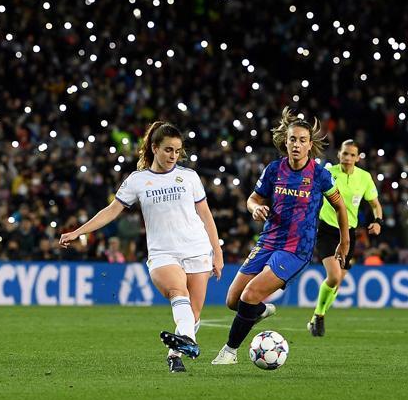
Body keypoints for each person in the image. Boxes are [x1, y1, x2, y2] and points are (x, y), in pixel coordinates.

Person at [60, 121, 224, 373]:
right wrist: (78, 231)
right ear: (155, 148)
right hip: (162, 253)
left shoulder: (189, 177)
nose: (173, 156)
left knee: (194, 311)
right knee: (177, 292)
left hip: (197, 248)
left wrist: (217, 251)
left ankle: (176, 353)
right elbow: (111, 211)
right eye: (168, 149)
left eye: (178, 151)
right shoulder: (138, 180)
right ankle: (189, 342)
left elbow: (205, 214)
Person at [211, 108, 349, 365]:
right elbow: (252, 199)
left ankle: (229, 351)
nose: (296, 144)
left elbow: (340, 207)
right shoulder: (274, 170)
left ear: (310, 145)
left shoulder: (320, 175)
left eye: (302, 140)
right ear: (284, 142)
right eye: (292, 139)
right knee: (233, 300)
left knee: (250, 295)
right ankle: (262, 311)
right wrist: (256, 208)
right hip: (268, 240)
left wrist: (345, 241)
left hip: (297, 248)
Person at [307, 139, 382, 336]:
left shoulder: (364, 178)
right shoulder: (329, 173)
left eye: (352, 155)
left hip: (349, 233)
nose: (348, 158)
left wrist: (378, 221)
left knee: (338, 282)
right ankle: (320, 316)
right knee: (334, 276)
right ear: (339, 154)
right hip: (327, 231)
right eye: (345, 153)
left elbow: (375, 204)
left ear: (357, 158)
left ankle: (317, 316)